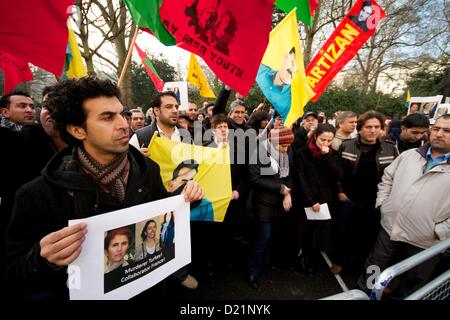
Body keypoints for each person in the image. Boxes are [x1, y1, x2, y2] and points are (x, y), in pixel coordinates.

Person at [3, 76, 203, 300]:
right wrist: (42, 260)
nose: (124, 124)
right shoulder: (37, 195)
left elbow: (158, 212)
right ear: (78, 130)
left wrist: (183, 198)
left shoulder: (148, 170)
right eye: (108, 117)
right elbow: (13, 271)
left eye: (122, 114)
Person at [358, 114, 450, 298]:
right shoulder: (409, 156)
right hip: (390, 228)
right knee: (375, 266)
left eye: (447, 131)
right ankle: (364, 293)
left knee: (414, 278)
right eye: (437, 128)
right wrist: (384, 204)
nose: (439, 134)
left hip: (425, 240)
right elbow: (387, 179)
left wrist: (440, 231)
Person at [336, 111, 398, 274]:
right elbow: (337, 172)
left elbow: (396, 176)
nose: (373, 130)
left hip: (376, 201)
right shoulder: (347, 146)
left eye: (377, 127)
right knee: (346, 232)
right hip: (350, 198)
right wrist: (340, 191)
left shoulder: (390, 148)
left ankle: (361, 266)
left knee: (369, 235)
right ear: (360, 129)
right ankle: (341, 261)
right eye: (369, 127)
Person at [293, 124, 343, 276]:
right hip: (306, 199)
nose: (325, 144)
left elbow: (339, 175)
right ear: (315, 137)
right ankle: (300, 259)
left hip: (325, 200)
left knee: (319, 233)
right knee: (304, 232)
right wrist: (311, 200)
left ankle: (311, 259)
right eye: (323, 140)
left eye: (329, 140)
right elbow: (300, 177)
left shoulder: (333, 155)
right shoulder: (303, 153)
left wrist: (327, 157)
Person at [247, 127, 294, 289]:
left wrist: (287, 193)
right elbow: (255, 179)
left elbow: (289, 175)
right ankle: (253, 271)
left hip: (280, 203)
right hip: (262, 202)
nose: (286, 150)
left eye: (288, 146)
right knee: (263, 237)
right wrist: (280, 189)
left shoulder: (287, 149)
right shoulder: (258, 152)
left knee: (272, 235)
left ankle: (265, 261)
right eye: (283, 146)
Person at [256, 47, 297, 119]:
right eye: (288, 70)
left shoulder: (287, 95)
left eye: (292, 72)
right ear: (283, 61)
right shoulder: (263, 72)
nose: (289, 74)